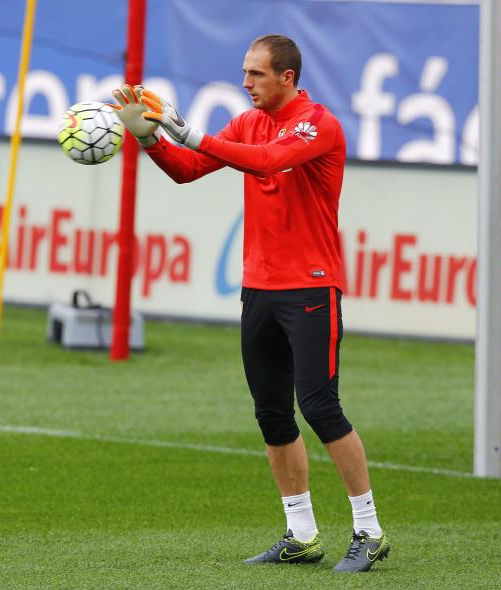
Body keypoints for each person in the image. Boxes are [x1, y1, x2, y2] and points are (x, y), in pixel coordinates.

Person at [109, 34, 389, 573]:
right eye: (244, 72)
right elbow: (189, 171)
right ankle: (301, 534)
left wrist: (188, 130)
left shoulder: (317, 124)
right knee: (271, 415)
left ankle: (369, 530)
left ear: (286, 77)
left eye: (256, 74)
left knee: (321, 407)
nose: (246, 83)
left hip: (311, 287)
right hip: (259, 288)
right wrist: (150, 140)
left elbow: (266, 162)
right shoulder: (246, 121)